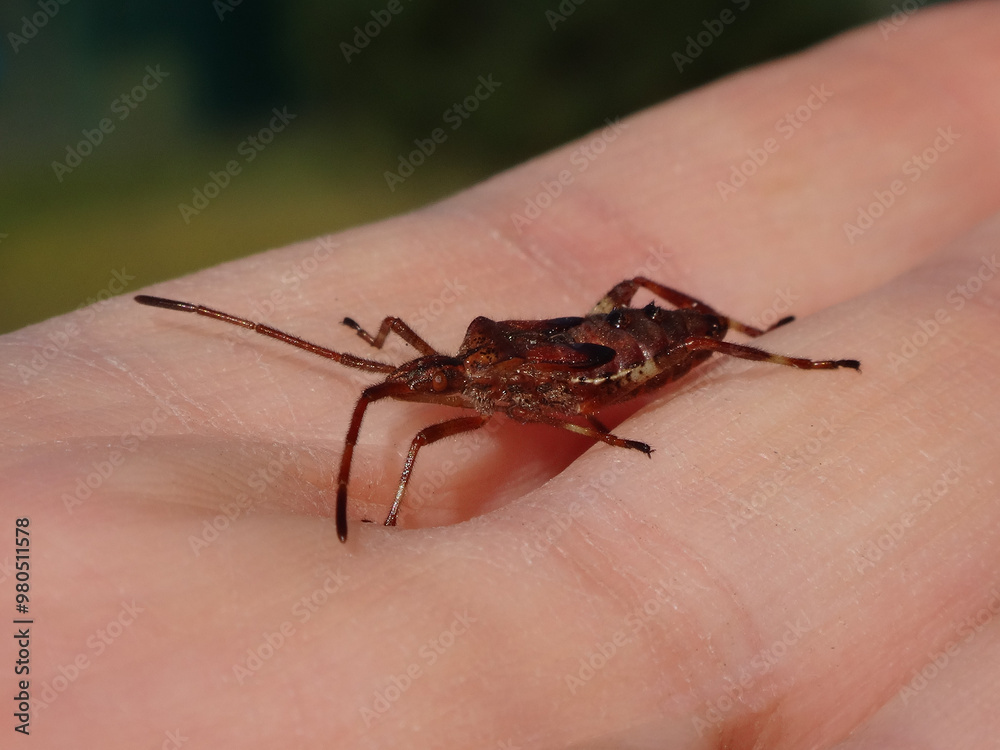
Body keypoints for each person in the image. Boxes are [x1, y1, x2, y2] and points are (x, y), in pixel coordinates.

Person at [4, 3, 999, 747]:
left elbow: (562, 395)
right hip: (568, 363)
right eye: (410, 377)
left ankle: (783, 348)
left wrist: (602, 428)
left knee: (673, 332)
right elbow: (405, 372)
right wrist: (391, 483)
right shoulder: (452, 388)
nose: (406, 383)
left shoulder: (499, 377)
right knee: (384, 379)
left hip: (616, 361)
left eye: (412, 374)